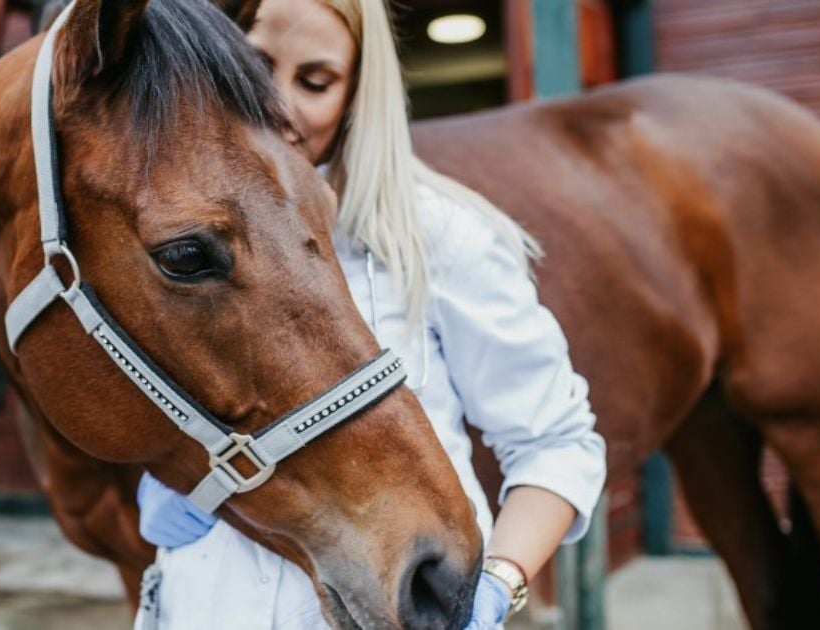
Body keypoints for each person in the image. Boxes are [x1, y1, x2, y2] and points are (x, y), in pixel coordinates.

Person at [135, 0, 607, 627]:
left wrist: (499, 583)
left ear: (356, 94)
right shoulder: (175, 242)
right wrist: (169, 478)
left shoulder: (437, 235)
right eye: (253, 66)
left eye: (316, 80)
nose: (277, 103)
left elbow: (557, 444)